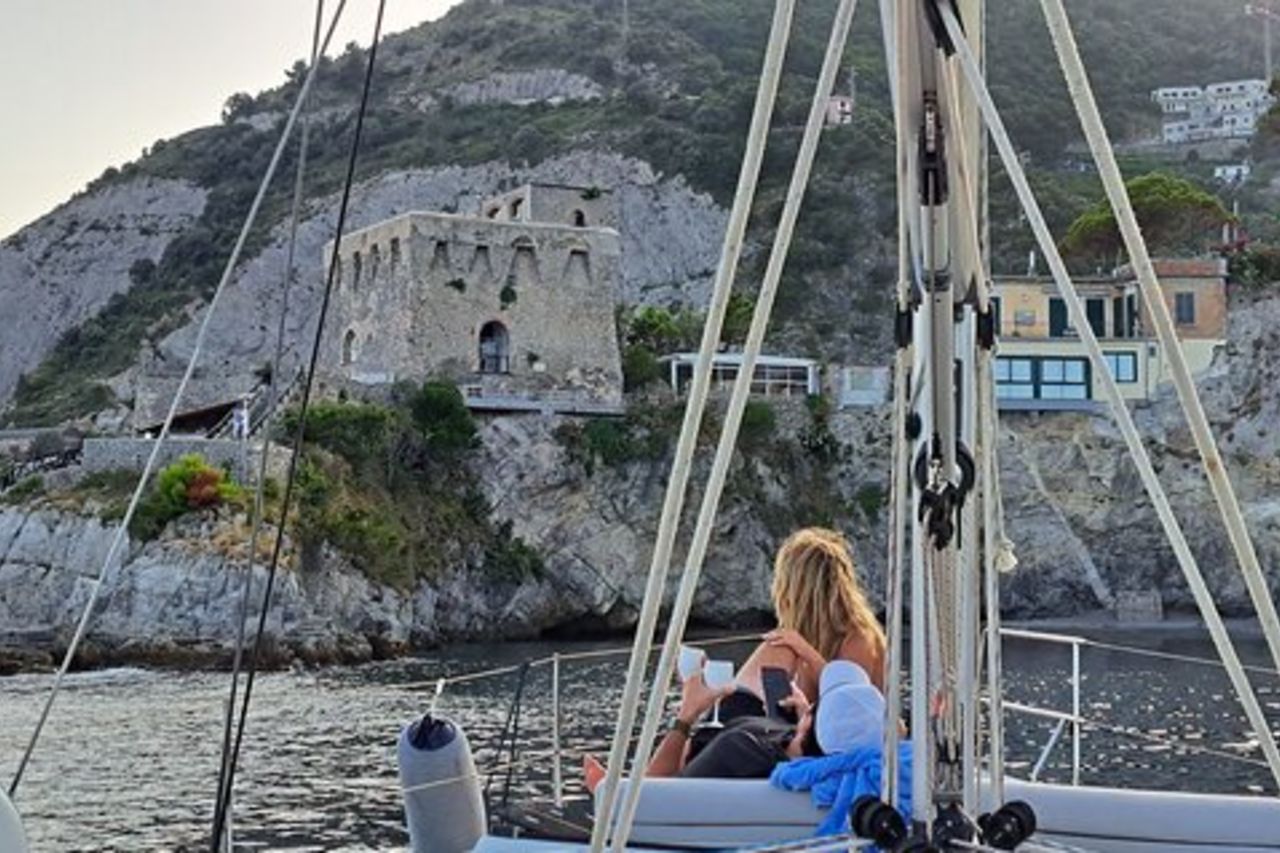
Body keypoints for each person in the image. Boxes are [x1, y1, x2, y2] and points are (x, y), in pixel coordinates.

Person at [583, 660, 884, 788]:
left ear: (810, 724)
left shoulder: (740, 751)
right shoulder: (823, 758)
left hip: (718, 746)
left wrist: (688, 714)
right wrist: (804, 712)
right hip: (769, 728)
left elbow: (658, 794)